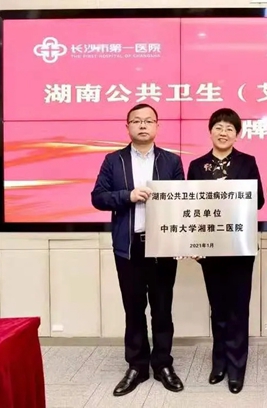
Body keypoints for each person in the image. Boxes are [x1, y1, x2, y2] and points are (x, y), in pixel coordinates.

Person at [91, 103, 186, 397]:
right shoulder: (113, 160)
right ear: (128, 126)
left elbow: (181, 202)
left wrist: (182, 242)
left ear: (157, 126)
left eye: (148, 121)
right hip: (128, 247)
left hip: (162, 247)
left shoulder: (171, 161)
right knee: (133, 310)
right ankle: (137, 366)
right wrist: (127, 195)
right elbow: (98, 197)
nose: (142, 125)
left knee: (162, 309)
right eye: (136, 121)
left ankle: (163, 364)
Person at [186, 108, 265, 394]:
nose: (223, 132)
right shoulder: (197, 165)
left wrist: (229, 192)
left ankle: (236, 366)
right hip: (210, 247)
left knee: (238, 308)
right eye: (218, 127)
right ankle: (218, 362)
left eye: (229, 128)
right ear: (210, 131)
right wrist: (193, 244)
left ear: (237, 134)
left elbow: (258, 200)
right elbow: (190, 207)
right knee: (218, 307)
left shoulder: (247, 162)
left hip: (240, 245)